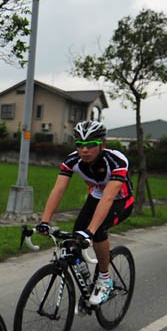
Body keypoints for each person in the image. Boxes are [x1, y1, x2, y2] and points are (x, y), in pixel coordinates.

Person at [35, 120, 135, 306]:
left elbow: (108, 198)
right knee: (74, 240)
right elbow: (58, 189)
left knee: (96, 232)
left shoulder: (116, 160)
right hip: (96, 197)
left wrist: (90, 231)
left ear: (102, 145)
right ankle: (87, 285)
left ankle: (104, 279)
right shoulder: (72, 160)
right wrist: (45, 221)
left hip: (120, 200)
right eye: (80, 145)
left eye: (91, 145)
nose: (85, 150)